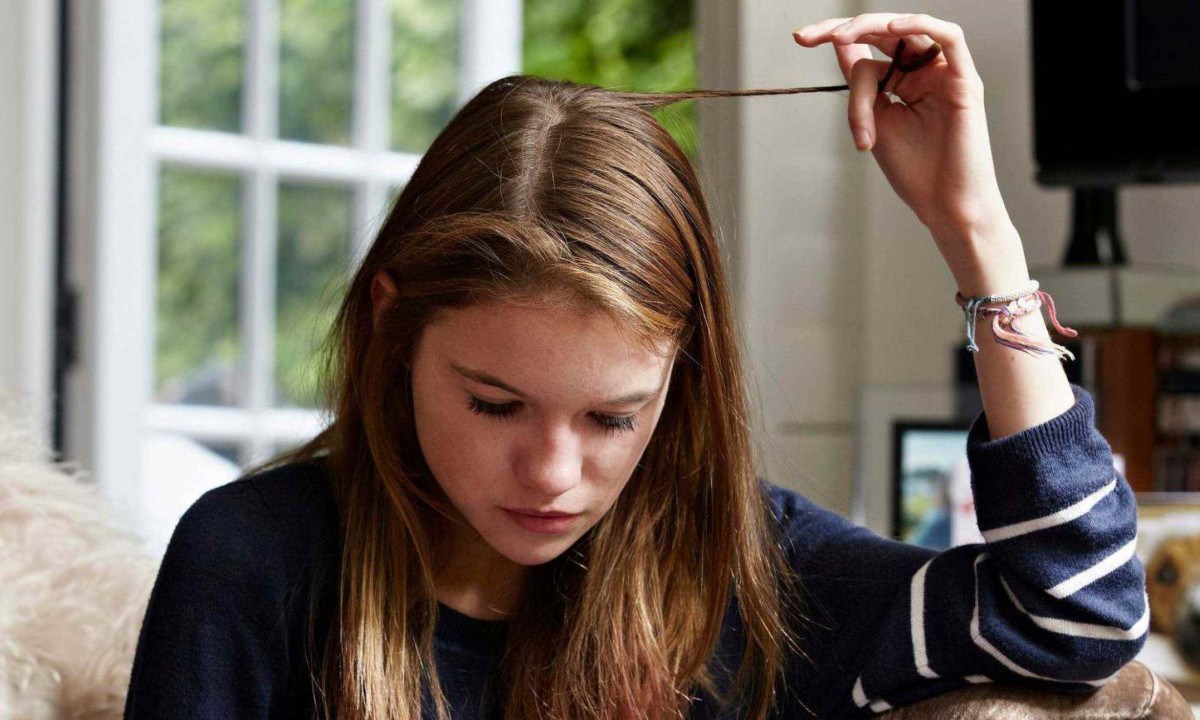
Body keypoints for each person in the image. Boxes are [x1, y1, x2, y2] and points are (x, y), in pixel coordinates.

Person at [122, 12, 1149, 720]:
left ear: (683, 378)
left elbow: (1077, 614)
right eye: (493, 403)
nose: (553, 474)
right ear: (393, 333)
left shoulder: (744, 574)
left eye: (613, 417)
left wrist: (979, 239)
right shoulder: (255, 560)